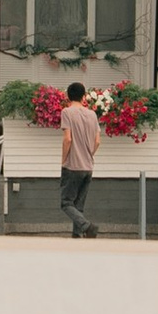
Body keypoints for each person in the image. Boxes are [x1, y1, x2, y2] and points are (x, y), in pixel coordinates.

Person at [58, 81, 104, 238]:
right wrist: (88, 154)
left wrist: (63, 159)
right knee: (79, 206)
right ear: (84, 96)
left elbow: (67, 139)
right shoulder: (92, 115)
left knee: (66, 203)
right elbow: (97, 141)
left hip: (73, 166)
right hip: (88, 166)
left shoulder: (67, 112)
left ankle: (87, 226)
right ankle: (77, 237)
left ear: (68, 96)